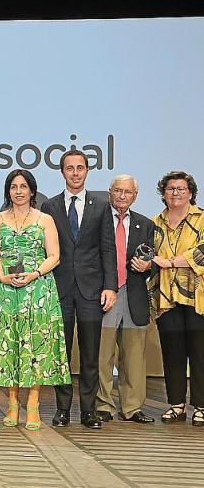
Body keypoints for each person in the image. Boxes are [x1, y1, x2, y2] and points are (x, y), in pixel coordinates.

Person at [0, 169, 70, 431]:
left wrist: (35, 274)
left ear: (32, 191)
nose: (18, 191)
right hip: (5, 290)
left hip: (38, 289)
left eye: (23, 186)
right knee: (8, 344)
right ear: (7, 191)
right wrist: (2, 275)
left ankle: (33, 405)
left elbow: (54, 256)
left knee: (36, 346)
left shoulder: (45, 219)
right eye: (13, 186)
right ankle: (12, 403)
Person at [40, 149, 117, 429]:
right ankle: (62, 410)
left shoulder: (101, 205)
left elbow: (108, 248)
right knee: (60, 353)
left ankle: (88, 411)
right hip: (58, 289)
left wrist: (110, 286)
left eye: (80, 167)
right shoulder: (49, 206)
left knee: (90, 354)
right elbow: (44, 250)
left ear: (87, 171)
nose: (75, 173)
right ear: (62, 172)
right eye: (70, 168)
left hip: (91, 291)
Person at [138, 171, 204, 426]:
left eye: (181, 188)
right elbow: (147, 253)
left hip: (198, 297)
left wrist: (170, 262)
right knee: (172, 352)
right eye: (170, 189)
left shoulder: (202, 219)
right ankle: (176, 404)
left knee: (200, 353)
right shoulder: (154, 222)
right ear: (163, 193)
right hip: (165, 297)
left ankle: (201, 406)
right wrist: (146, 262)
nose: (175, 193)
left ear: (191, 192)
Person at [96, 175, 155, 424]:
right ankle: (103, 405)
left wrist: (148, 266)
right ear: (110, 192)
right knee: (103, 354)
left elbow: (154, 260)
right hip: (106, 294)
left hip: (134, 295)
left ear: (135, 196)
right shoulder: (98, 219)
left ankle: (132, 407)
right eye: (118, 191)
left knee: (133, 356)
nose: (122, 196)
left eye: (127, 192)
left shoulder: (146, 224)